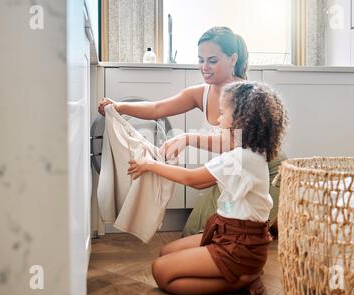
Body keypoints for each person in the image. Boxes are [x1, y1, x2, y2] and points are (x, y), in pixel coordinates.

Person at [98, 26, 286, 237]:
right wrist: (118, 107)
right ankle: (274, 222)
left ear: (233, 59)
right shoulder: (200, 93)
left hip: (266, 174)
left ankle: (276, 219)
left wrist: (187, 138)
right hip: (229, 174)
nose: (204, 67)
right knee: (193, 233)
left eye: (212, 61)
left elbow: (232, 143)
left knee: (240, 229)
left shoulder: (245, 97)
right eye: (200, 60)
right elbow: (157, 108)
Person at [127, 81, 288, 295]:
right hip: (229, 231)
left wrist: (150, 165)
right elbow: (211, 156)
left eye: (223, 114)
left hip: (240, 245)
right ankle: (242, 272)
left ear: (242, 121)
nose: (218, 119)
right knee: (166, 252)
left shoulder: (241, 157)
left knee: (161, 272)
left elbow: (194, 180)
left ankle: (241, 279)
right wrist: (185, 140)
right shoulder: (250, 151)